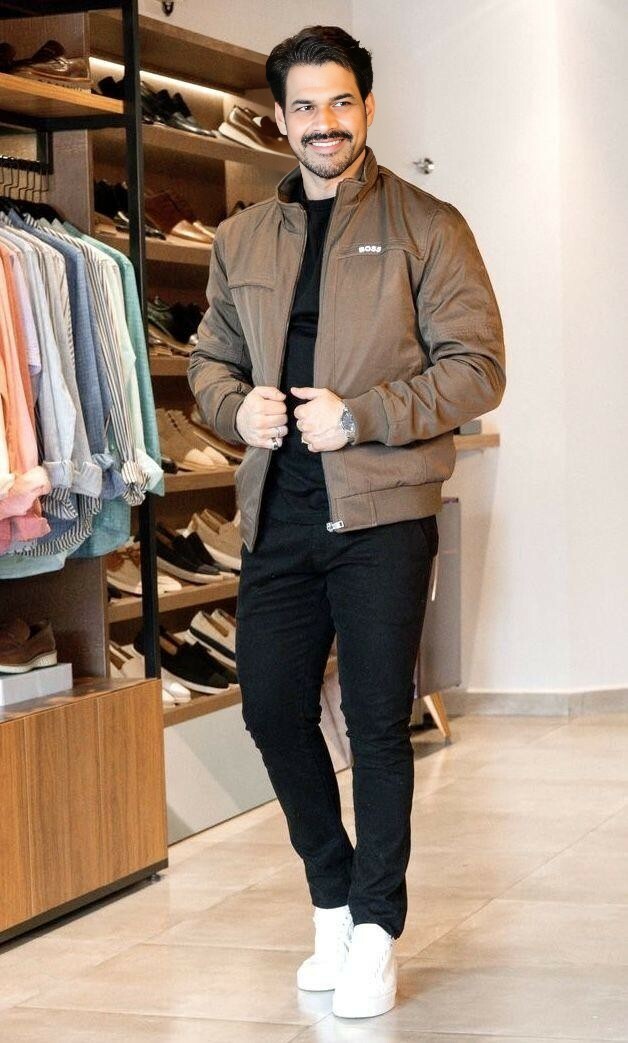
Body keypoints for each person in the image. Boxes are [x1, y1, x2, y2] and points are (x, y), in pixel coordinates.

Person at [188, 24, 506, 1020]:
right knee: (271, 707)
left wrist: (361, 416)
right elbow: (209, 359)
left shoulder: (428, 225)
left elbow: (478, 368)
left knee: (374, 721)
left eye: (340, 102)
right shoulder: (242, 235)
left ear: (367, 108)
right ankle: (331, 896)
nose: (323, 123)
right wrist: (231, 407)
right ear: (280, 119)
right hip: (278, 512)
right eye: (304, 106)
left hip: (382, 512)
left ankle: (375, 927)